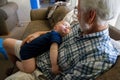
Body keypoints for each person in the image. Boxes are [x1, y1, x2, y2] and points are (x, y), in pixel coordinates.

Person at [3, 0, 120, 80]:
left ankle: (19, 65)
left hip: (40, 73)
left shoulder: (100, 57)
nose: (77, 15)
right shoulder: (81, 26)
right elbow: (56, 33)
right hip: (40, 50)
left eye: (78, 11)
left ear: (91, 16)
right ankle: (15, 65)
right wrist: (38, 33)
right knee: (6, 43)